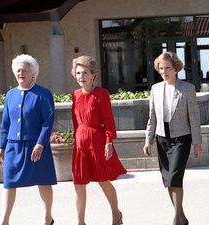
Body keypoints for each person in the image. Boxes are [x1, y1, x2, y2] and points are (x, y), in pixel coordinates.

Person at [143, 51, 202, 225]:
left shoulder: (187, 89)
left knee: (175, 175)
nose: (164, 72)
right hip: (162, 139)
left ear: (176, 68)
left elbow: (194, 118)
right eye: (161, 68)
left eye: (167, 68)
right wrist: (148, 140)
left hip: (181, 139)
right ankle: (181, 216)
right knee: (168, 179)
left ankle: (177, 218)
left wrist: (197, 142)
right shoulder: (155, 89)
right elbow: (152, 117)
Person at [0, 54, 57, 225]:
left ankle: (47, 217)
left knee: (43, 180)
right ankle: (4, 221)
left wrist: (40, 143)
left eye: (24, 69)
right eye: (18, 70)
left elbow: (48, 121)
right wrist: (2, 145)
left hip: (36, 146)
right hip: (13, 147)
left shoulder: (43, 94)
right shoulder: (10, 95)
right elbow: (6, 123)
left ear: (33, 73)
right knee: (9, 183)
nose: (20, 72)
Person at [70, 55, 127, 225]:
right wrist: (76, 139)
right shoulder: (75, 94)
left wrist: (109, 142)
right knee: (78, 183)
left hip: (97, 141)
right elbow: (75, 122)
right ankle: (80, 222)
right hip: (80, 143)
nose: (81, 76)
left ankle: (116, 215)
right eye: (78, 73)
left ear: (93, 74)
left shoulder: (101, 94)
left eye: (85, 72)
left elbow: (109, 121)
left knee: (103, 180)